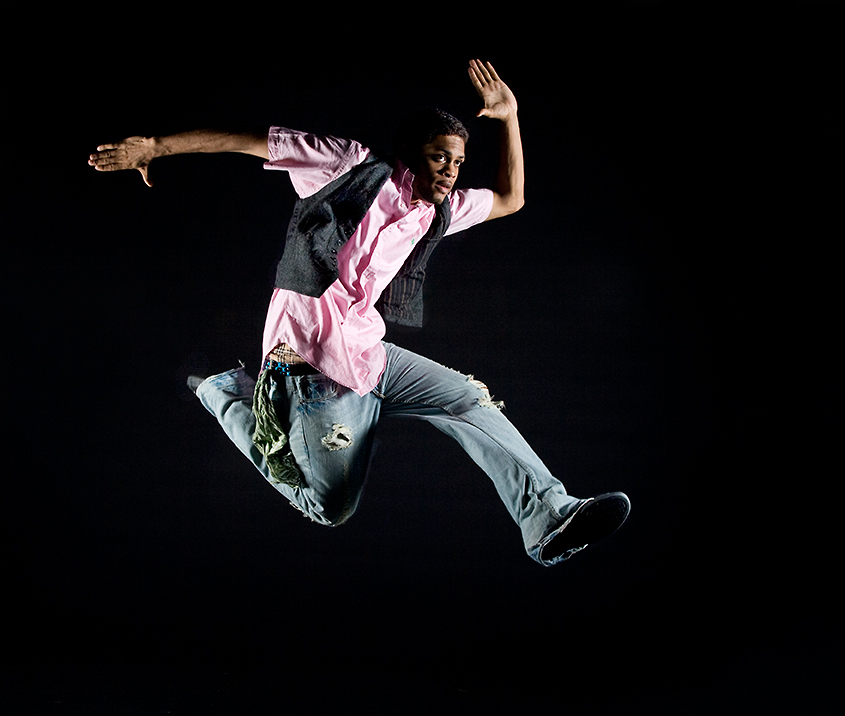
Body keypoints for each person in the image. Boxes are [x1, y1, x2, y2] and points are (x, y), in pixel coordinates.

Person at [88, 59, 629, 565]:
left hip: (371, 354)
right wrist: (155, 147)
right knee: (332, 508)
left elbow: (512, 198)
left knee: (468, 400)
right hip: (311, 368)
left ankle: (549, 516)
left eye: (458, 162)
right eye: (440, 157)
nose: (450, 172)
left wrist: (509, 117)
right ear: (410, 152)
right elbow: (250, 140)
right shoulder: (346, 164)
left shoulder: (436, 212)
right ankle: (225, 395)